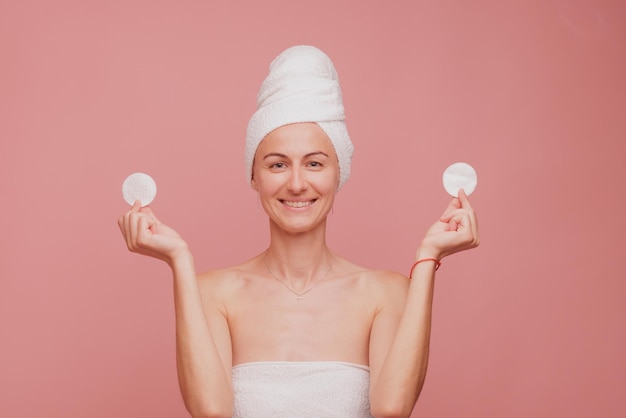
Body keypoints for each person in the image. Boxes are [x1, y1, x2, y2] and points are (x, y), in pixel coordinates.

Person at [118, 45, 479, 418]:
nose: (296, 183)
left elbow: (392, 408)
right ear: (253, 176)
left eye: (314, 163)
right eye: (277, 164)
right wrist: (179, 260)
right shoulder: (212, 293)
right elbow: (211, 411)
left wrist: (427, 259)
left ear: (339, 174)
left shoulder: (386, 293)